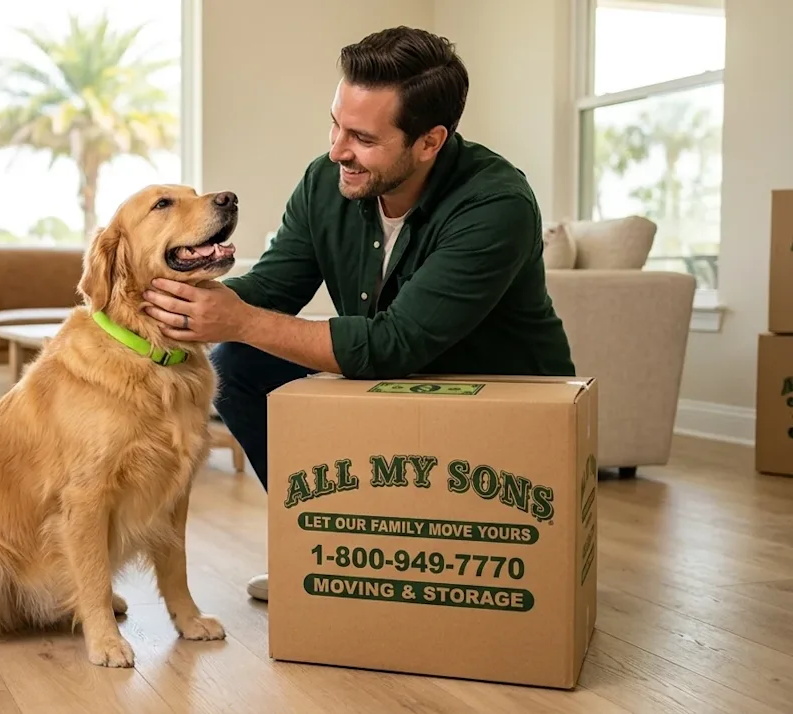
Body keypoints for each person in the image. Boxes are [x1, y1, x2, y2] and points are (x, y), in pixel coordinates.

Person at [140, 26, 575, 601]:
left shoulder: (496, 204)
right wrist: (180, 297)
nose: (337, 150)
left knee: (243, 336)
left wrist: (237, 319)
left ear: (429, 142)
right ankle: (319, 540)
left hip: (493, 404)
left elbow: (394, 345)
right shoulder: (327, 181)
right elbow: (271, 287)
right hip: (390, 389)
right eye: (336, 124)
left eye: (363, 138)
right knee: (239, 363)